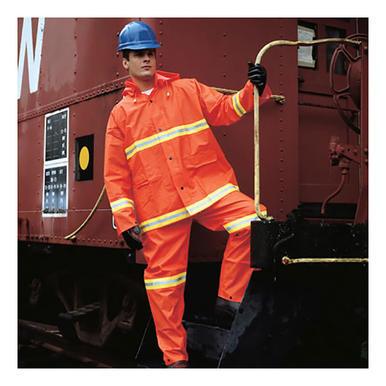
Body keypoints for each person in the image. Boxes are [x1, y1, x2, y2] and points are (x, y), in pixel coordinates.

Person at [104, 21, 271, 368]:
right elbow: (115, 175)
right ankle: (176, 363)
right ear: (125, 62)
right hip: (160, 208)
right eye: (138, 55)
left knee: (254, 221)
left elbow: (226, 110)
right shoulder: (119, 116)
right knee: (164, 287)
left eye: (150, 53)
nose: (146, 59)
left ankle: (230, 300)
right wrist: (125, 221)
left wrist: (254, 89)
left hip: (205, 188)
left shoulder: (187, 89)